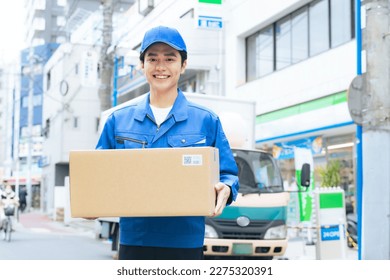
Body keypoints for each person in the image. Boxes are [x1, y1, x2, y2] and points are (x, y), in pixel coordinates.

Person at [96, 25, 239, 260]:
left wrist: (226, 188)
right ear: (142, 65)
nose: (160, 67)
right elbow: (98, 174)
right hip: (135, 241)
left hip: (186, 243)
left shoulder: (206, 120)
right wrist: (93, 201)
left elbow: (228, 174)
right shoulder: (118, 121)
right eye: (152, 58)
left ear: (183, 65)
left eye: (170, 58)